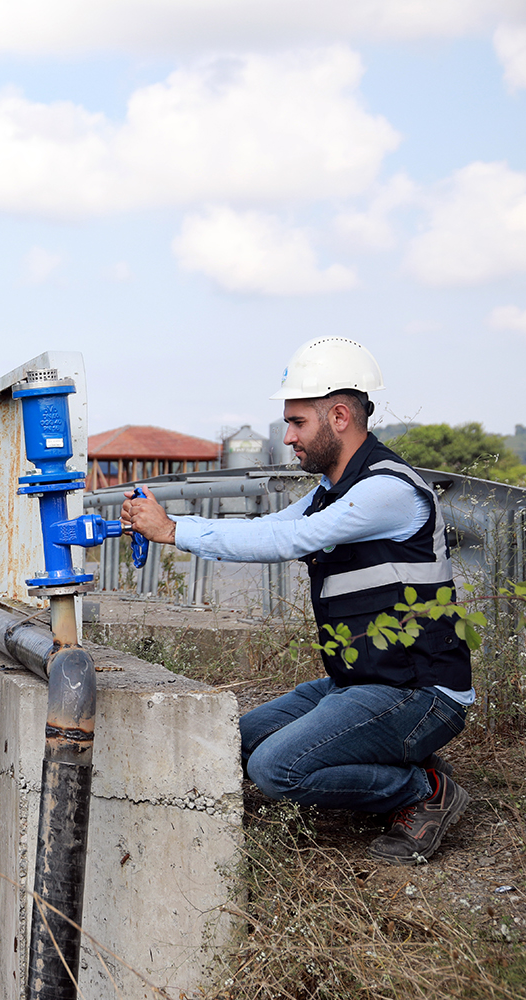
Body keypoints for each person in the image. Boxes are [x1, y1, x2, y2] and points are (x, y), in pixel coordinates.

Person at [120, 337, 473, 866]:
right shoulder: (331, 491)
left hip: (421, 693)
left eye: (297, 423)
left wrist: (171, 532)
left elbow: (288, 542)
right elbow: (267, 528)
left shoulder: (387, 491)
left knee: (274, 769)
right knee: (231, 743)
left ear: (338, 416)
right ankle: (399, 760)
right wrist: (175, 523)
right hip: (358, 682)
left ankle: (424, 790)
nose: (287, 438)